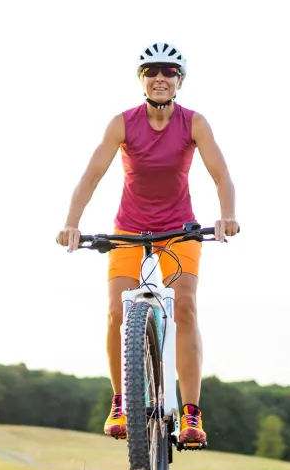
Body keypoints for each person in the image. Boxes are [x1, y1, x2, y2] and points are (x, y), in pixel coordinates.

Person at [56, 42, 239, 448]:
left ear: (180, 80)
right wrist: (72, 223)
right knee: (116, 311)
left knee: (186, 305)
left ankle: (191, 413)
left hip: (179, 231)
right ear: (141, 79)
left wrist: (226, 215)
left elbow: (221, 175)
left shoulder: (194, 123)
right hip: (129, 230)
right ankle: (121, 402)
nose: (160, 77)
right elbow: (91, 175)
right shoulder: (122, 123)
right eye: (152, 71)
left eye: (169, 71)